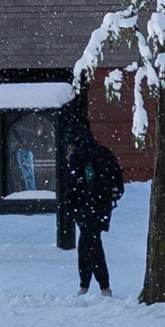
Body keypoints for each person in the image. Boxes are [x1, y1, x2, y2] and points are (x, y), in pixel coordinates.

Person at [57, 108, 125, 296]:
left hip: (85, 208)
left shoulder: (77, 157)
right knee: (86, 244)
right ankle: (84, 286)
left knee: (92, 246)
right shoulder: (103, 152)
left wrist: (71, 207)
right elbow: (117, 181)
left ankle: (104, 287)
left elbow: (73, 187)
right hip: (102, 206)